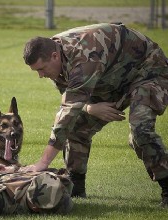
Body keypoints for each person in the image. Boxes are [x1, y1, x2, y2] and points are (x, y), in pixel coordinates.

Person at [22, 22, 168, 206]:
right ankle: (76, 188)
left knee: (141, 132)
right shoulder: (56, 59)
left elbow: (68, 111)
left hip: (149, 71)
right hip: (112, 79)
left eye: (41, 69)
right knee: (77, 127)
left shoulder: (84, 54)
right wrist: (91, 108)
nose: (40, 75)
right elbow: (70, 98)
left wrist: (42, 163)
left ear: (54, 56)